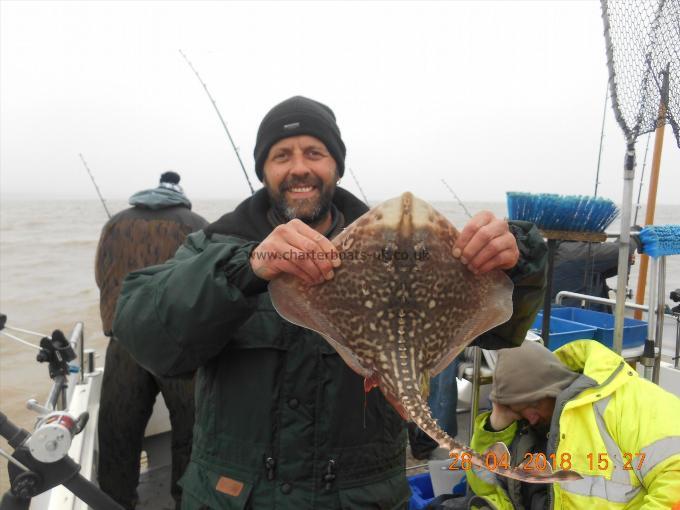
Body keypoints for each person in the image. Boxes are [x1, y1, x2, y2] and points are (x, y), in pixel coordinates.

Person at [113, 96, 548, 509]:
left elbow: (501, 331)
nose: (299, 167)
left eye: (314, 152)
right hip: (234, 496)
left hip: (363, 497)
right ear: (263, 169)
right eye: (282, 155)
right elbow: (146, 334)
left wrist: (512, 265)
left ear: (336, 165)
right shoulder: (217, 244)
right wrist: (248, 265)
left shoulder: (387, 251)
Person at [95, 171, 208, 510]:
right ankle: (185, 500)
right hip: (179, 346)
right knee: (190, 430)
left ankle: (114, 501)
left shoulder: (115, 223)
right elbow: (207, 283)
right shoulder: (196, 223)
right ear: (181, 195)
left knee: (117, 430)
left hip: (125, 340)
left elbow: (103, 274)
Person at [464, 339, 680, 509]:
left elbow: (674, 484)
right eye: (518, 413)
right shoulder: (526, 428)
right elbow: (486, 489)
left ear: (547, 392)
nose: (531, 419)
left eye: (530, 408)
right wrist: (497, 425)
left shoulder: (632, 402)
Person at [551, 240, 637, 313]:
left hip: (562, 312)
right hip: (581, 317)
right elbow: (623, 250)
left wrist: (624, 261)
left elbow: (599, 272)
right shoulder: (574, 251)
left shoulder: (558, 248)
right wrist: (635, 236)